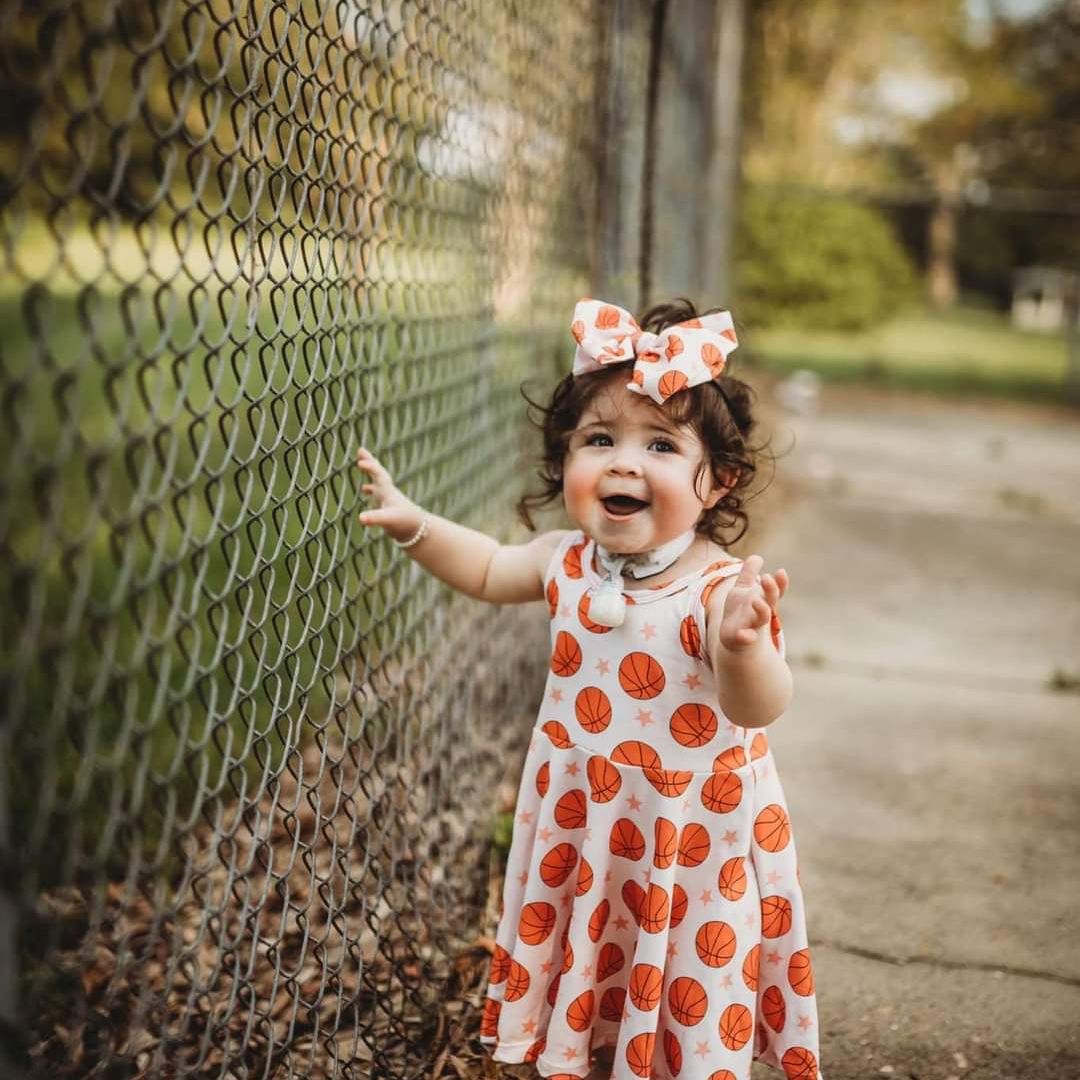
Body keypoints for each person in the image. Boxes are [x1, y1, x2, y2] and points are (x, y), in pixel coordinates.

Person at [355, 297, 823, 1080]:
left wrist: (745, 644)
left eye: (662, 446)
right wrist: (415, 525)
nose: (623, 463)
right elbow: (483, 568)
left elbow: (757, 706)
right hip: (586, 817)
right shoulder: (563, 559)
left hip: (688, 837)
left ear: (719, 483)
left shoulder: (716, 592)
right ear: (564, 459)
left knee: (679, 966)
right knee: (598, 948)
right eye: (598, 439)